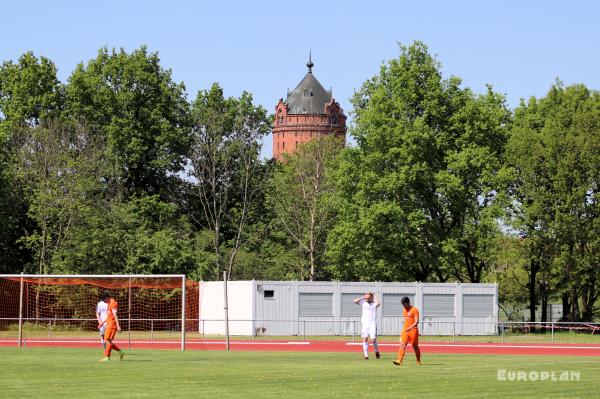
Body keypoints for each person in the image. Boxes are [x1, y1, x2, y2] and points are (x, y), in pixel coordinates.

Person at [98, 291, 125, 362]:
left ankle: (107, 357)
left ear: (107, 298)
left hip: (112, 325)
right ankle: (120, 351)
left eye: (104, 300)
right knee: (108, 341)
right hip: (109, 324)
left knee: (106, 340)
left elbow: (115, 315)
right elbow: (109, 316)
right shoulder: (109, 303)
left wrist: (118, 326)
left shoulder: (112, 303)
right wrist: (102, 323)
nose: (104, 302)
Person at [393, 296, 421, 365]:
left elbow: (416, 322)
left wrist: (410, 328)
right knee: (402, 345)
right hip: (405, 331)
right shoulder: (404, 310)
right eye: (403, 305)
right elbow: (407, 321)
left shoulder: (415, 310)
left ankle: (418, 360)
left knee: (415, 347)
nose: (404, 306)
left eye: (405, 304)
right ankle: (399, 360)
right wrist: (404, 330)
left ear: (408, 303)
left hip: (413, 331)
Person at [353, 292, 380, 359]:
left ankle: (376, 351)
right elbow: (354, 301)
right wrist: (363, 297)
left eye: (368, 297)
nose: (367, 299)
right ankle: (366, 355)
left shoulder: (374, 303)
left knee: (373, 339)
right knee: (365, 339)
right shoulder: (363, 303)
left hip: (372, 323)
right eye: (366, 297)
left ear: (371, 297)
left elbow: (378, 303)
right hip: (365, 323)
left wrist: (374, 295)